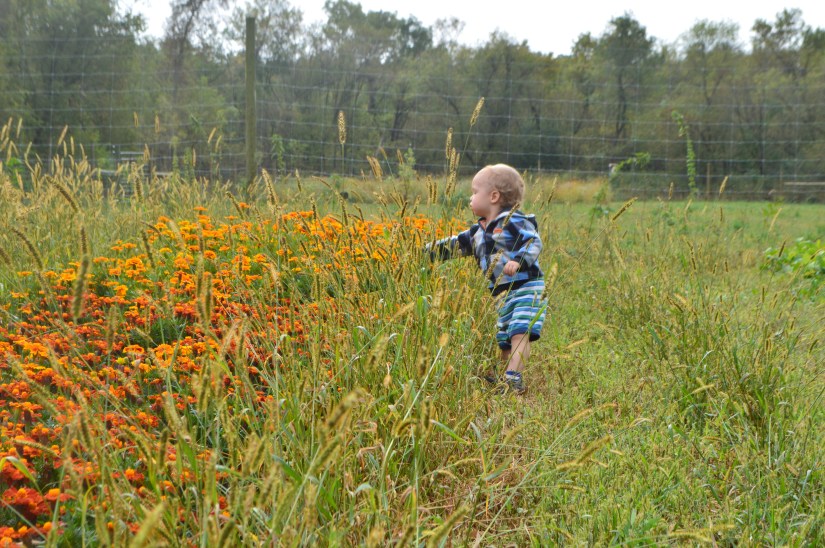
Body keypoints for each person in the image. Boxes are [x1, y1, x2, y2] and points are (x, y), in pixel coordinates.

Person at [427, 164, 546, 394]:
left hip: (527, 286)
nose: (470, 197)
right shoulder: (476, 232)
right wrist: (423, 252)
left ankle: (513, 379)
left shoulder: (514, 221)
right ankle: (504, 376)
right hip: (500, 292)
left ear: (493, 196)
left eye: (474, 192)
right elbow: (453, 246)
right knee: (504, 336)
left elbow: (533, 241)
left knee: (520, 331)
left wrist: (519, 260)